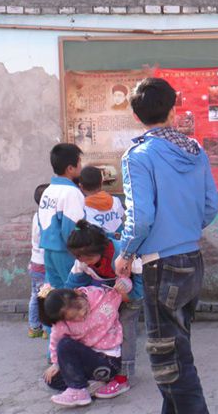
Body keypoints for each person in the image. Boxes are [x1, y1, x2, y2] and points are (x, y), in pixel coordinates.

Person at [114, 77, 218, 414]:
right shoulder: (195, 150)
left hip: (161, 265)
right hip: (192, 257)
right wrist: (184, 229)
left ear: (136, 115)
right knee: (176, 350)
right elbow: (210, 207)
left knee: (168, 358)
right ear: (174, 110)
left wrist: (126, 253)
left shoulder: (138, 156)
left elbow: (141, 217)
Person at [66, 219, 143, 398]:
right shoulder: (82, 261)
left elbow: (140, 288)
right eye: (79, 258)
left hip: (131, 295)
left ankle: (123, 377)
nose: (85, 262)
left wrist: (127, 296)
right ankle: (103, 371)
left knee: (125, 330)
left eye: (88, 259)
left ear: (101, 250)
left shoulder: (126, 255)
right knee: (100, 330)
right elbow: (72, 285)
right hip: (108, 296)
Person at [39, 282, 131, 407]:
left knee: (65, 344)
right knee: (51, 379)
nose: (81, 314)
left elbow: (125, 289)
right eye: (73, 317)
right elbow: (55, 342)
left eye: (79, 307)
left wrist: (123, 284)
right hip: (88, 363)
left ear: (78, 293)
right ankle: (92, 385)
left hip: (108, 362)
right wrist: (56, 364)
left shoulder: (101, 298)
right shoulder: (62, 325)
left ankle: (78, 390)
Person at [38, 143, 85, 289]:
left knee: (56, 294)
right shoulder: (71, 192)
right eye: (79, 162)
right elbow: (72, 228)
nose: (81, 166)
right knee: (74, 293)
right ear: (70, 168)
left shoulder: (48, 190)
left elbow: (41, 221)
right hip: (66, 252)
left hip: (48, 251)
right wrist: (80, 254)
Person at [28, 183, 49, 339]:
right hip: (44, 262)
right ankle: (46, 328)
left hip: (35, 262)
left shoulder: (36, 215)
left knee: (35, 296)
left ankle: (34, 326)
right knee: (46, 295)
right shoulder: (46, 217)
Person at [80, 166, 124, 238]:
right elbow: (121, 217)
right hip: (119, 241)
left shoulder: (82, 208)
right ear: (101, 183)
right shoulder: (115, 200)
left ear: (81, 186)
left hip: (98, 242)